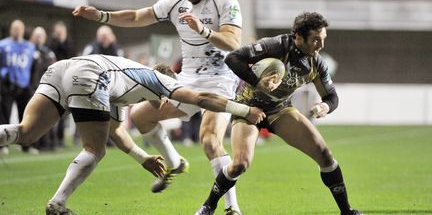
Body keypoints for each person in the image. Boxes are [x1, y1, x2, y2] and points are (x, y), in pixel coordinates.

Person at [0, 54, 265, 214]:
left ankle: (57, 201)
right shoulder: (160, 81)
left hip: (62, 68)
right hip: (91, 74)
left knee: (25, 133)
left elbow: (116, 130)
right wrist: (242, 108)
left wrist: (142, 158)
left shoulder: (122, 90)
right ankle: (57, 203)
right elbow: (201, 97)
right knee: (94, 148)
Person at [72, 0, 244, 213]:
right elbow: (136, 16)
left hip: (221, 80)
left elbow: (233, 42)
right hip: (188, 79)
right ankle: (176, 162)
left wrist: (203, 30)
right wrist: (101, 16)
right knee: (142, 116)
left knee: (209, 139)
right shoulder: (175, 2)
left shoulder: (225, 1)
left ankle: (231, 208)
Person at [195, 12, 363, 215]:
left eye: (323, 39)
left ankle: (347, 211)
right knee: (239, 164)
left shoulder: (316, 63)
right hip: (248, 109)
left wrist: (324, 107)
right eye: (316, 40)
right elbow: (233, 57)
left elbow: (332, 97)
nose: (320, 46)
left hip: (279, 109)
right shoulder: (275, 46)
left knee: (324, 155)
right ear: (298, 37)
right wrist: (257, 82)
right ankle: (208, 206)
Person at [0, 19, 36, 155]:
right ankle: (3, 145)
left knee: (26, 116)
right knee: (5, 116)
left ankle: (25, 144)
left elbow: (33, 67)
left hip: (24, 85)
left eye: (19, 28)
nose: (16, 31)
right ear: (10, 30)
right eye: (14, 28)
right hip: (7, 85)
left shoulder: (30, 47)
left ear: (23, 30)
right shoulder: (3, 45)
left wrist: (31, 84)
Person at [48, 21, 76, 148]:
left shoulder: (69, 43)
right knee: (52, 112)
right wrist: (58, 40)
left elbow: (71, 57)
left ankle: (60, 139)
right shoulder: (52, 43)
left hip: (66, 80)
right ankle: (52, 140)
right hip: (54, 80)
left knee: (64, 113)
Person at [29, 27, 57, 151]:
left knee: (47, 117)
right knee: (33, 117)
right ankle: (33, 144)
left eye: (41, 35)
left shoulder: (49, 53)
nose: (38, 38)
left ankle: (48, 143)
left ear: (45, 38)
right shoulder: (28, 51)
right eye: (36, 35)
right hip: (32, 88)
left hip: (47, 89)